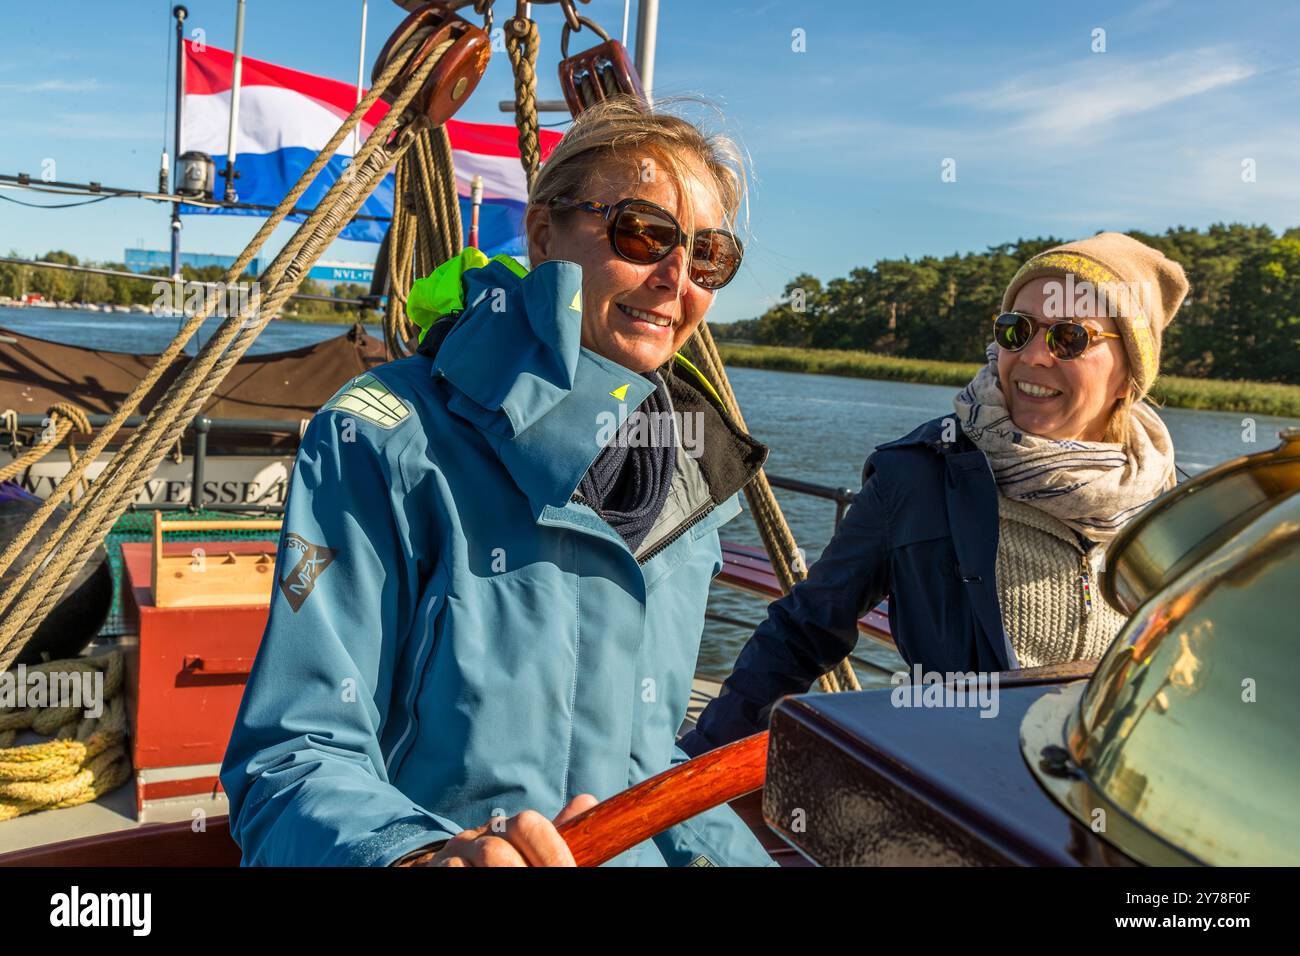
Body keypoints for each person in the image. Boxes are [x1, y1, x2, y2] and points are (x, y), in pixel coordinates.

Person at [220, 96, 775, 866]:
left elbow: (647, 768)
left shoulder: (687, 472)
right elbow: (291, 760)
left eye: (709, 254)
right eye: (643, 232)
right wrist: (415, 856)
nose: (675, 277)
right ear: (545, 233)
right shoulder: (385, 436)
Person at [679, 232, 1188, 755]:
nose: (1034, 356)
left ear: (1131, 373)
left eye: (1070, 339)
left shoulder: (1176, 507)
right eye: (1018, 330)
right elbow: (802, 632)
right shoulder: (920, 474)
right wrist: (692, 776)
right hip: (961, 795)